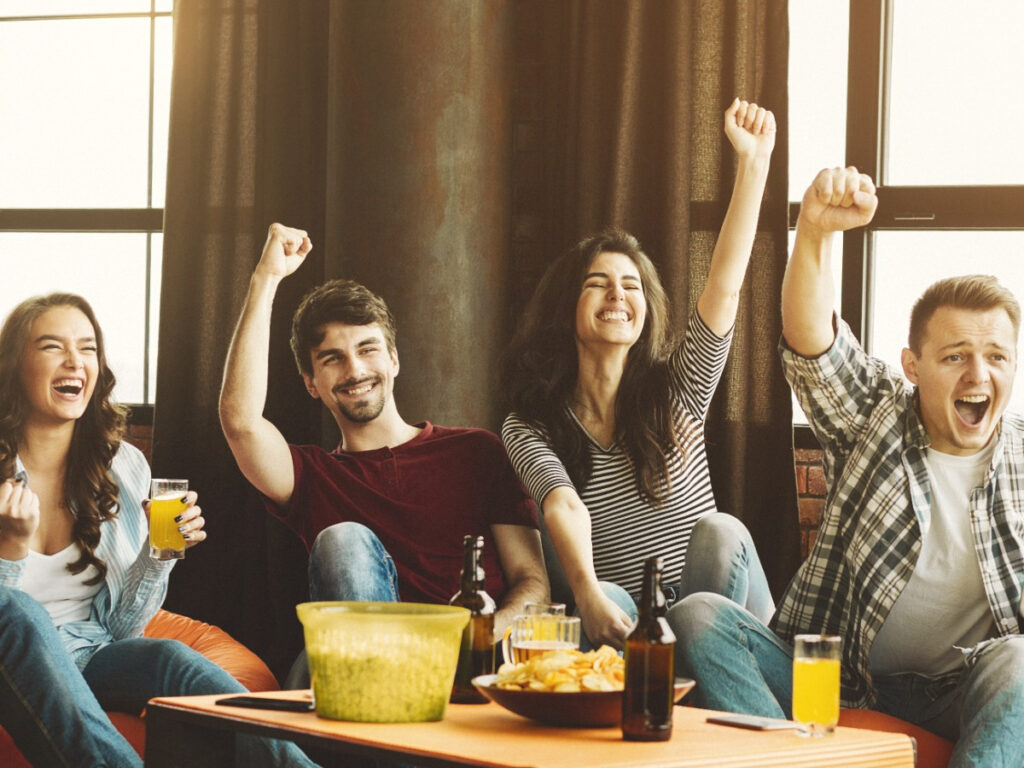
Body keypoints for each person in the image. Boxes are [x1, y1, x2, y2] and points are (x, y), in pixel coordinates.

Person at [670, 166, 1024, 767]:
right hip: (832, 680)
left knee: (1020, 660)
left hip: (957, 695)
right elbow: (810, 337)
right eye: (955, 355)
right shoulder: (878, 414)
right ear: (912, 366)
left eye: (996, 356)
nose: (977, 375)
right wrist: (814, 229)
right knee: (697, 614)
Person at [500, 97, 777, 650]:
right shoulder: (530, 423)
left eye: (631, 286)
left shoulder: (678, 386)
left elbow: (724, 285)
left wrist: (754, 164)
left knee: (720, 533)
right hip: (627, 617)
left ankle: (701, 670)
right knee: (610, 593)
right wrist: (586, 593)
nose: (618, 295)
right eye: (598, 282)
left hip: (714, 608)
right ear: (566, 307)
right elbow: (562, 503)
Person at [219, 225, 549, 684]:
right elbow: (240, 422)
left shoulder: (477, 450)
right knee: (342, 540)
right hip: (373, 679)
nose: (355, 370)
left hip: (477, 666)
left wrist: (485, 634)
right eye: (332, 358)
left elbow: (532, 582)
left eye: (367, 349)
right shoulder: (311, 476)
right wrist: (266, 279)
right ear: (311, 383)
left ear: (393, 360)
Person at [0, 293, 315, 767]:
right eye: (51, 347)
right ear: (15, 365)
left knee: (169, 657)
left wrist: (158, 551)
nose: (74, 362)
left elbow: (124, 628)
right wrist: (9, 550)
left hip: (89, 652)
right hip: (14, 662)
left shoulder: (122, 467)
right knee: (21, 611)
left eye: (87, 348)